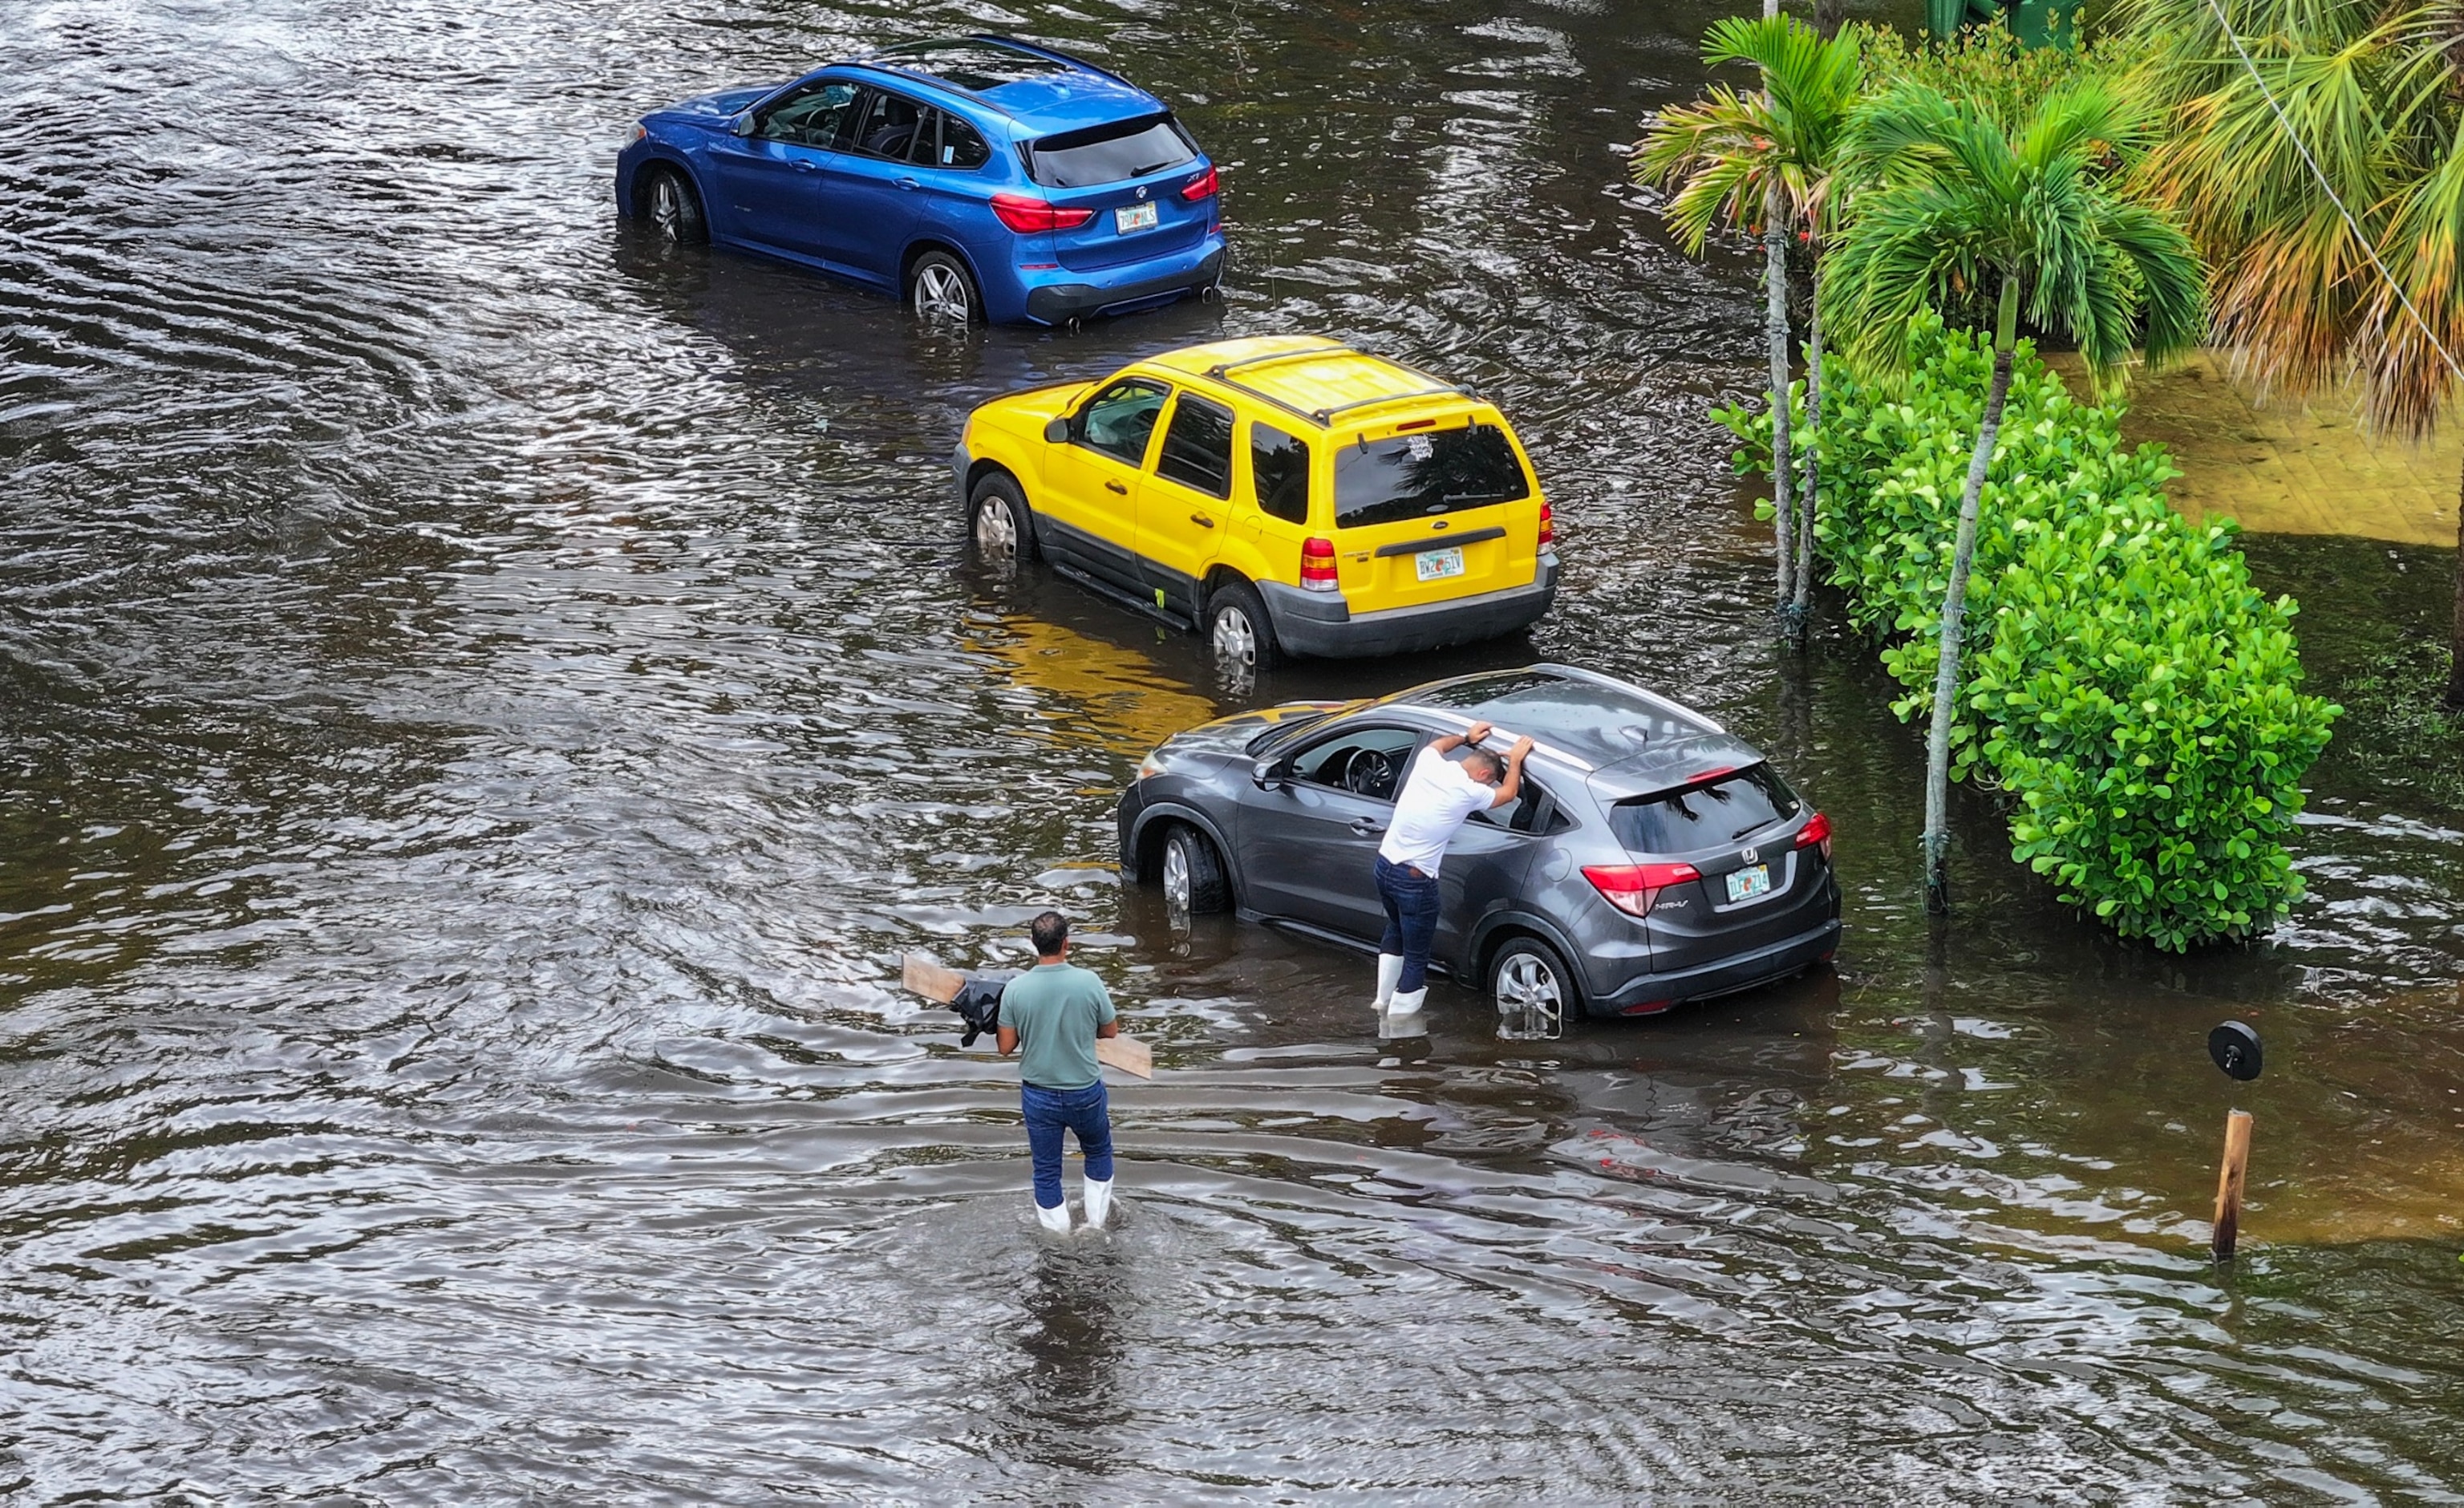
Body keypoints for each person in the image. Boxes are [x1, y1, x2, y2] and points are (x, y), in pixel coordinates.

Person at [1372, 720, 1533, 1037]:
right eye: (1490, 779)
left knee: (1395, 929)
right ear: (1485, 776)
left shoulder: (1428, 763)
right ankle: (1400, 1033)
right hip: (1415, 880)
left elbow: (1439, 745)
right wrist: (1515, 761)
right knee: (1417, 957)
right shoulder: (1469, 791)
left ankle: (1381, 1002)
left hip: (1384, 867)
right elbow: (1510, 793)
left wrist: (1466, 737)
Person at [998, 910, 1120, 1234]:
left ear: (1033, 944)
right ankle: (1095, 1226)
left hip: (1039, 1095)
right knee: (1098, 1152)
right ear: (1067, 943)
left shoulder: (1015, 990)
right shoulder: (1089, 981)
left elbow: (1005, 1046)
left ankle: (1060, 1239)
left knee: (1047, 1171)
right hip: (1085, 1091)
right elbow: (1110, 1031)